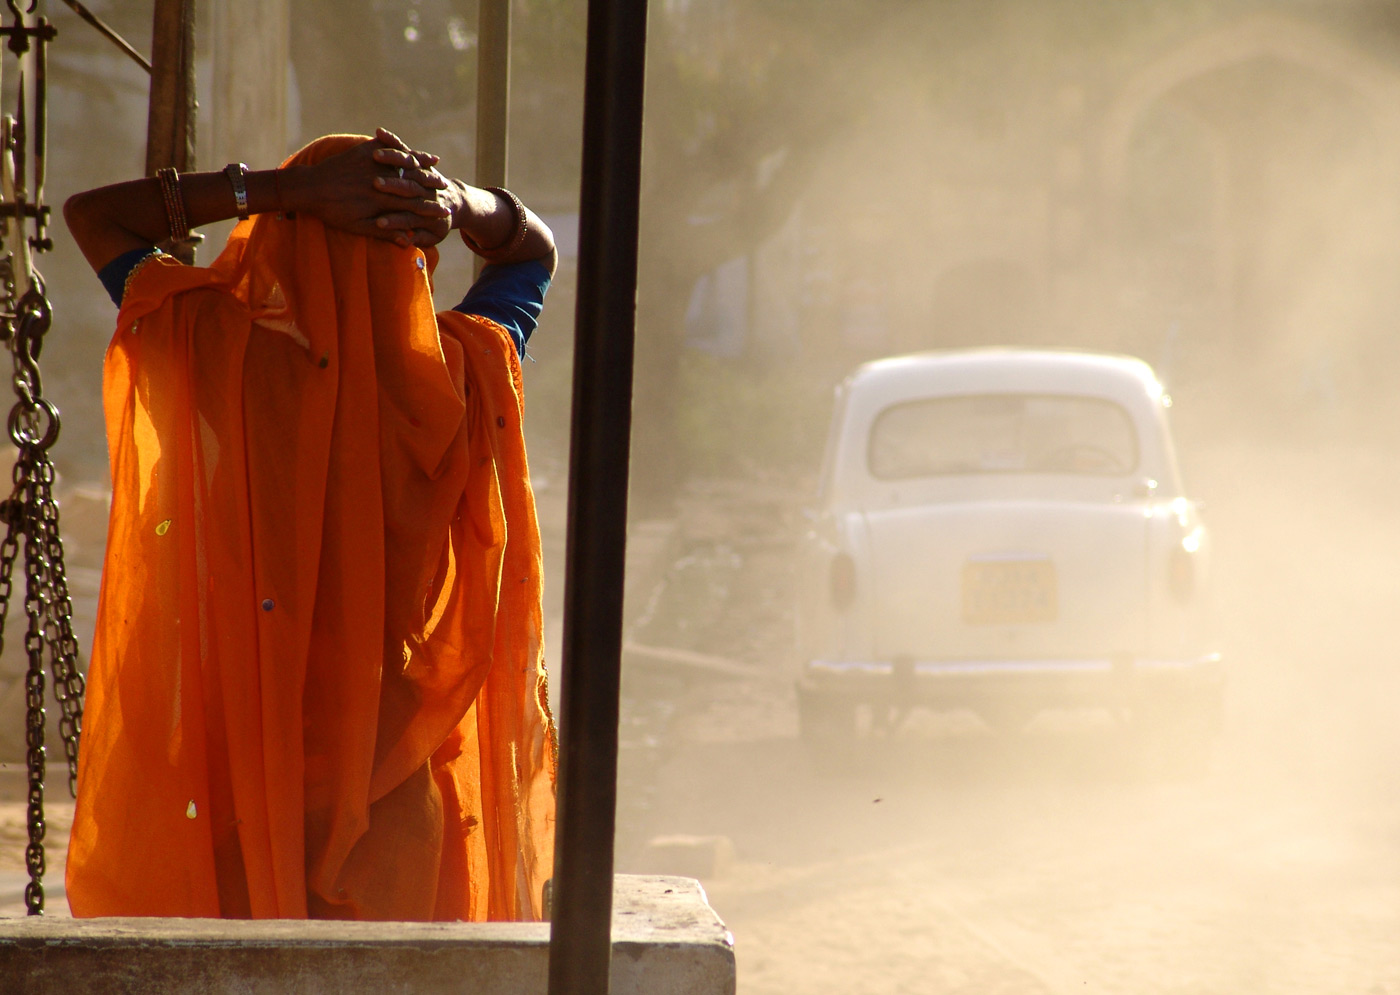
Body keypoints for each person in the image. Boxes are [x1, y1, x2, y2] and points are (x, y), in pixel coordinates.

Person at [60, 130, 558, 921]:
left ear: (277, 248)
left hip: (243, 791)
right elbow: (530, 253)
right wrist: (454, 201)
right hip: (397, 793)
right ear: (413, 258)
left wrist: (277, 193)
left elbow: (93, 216)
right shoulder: (466, 374)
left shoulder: (214, 351)